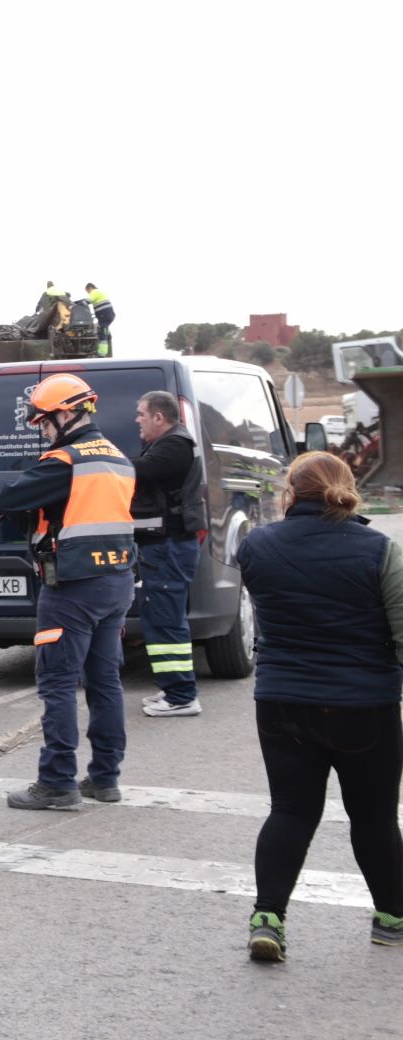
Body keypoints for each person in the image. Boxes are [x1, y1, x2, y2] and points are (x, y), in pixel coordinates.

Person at [237, 452, 403, 962]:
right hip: (364, 706)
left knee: (290, 810)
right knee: (374, 817)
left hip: (283, 702)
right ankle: (391, 918)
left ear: (291, 492)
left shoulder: (255, 546)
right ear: (347, 488)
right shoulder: (380, 549)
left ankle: (268, 918)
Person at [0, 374, 137, 810]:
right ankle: (105, 778)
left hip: (73, 586)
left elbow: (7, 499)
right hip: (117, 581)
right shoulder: (119, 458)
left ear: (66, 412)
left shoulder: (64, 461)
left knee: (57, 682)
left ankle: (57, 782)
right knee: (105, 682)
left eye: (44, 421)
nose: (42, 429)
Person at [130, 391, 205, 717]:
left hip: (169, 547)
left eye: (141, 414)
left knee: (166, 621)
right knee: (161, 619)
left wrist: (99, 460)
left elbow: (135, 472)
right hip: (164, 547)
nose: (137, 420)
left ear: (159, 417)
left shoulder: (173, 446)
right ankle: (173, 690)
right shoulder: (169, 444)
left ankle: (181, 697)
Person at [85, 283, 115, 354]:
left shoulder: (94, 292)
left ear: (90, 288)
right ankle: (107, 346)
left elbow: (88, 301)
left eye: (87, 291)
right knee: (105, 331)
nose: (88, 293)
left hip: (104, 315)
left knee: (102, 332)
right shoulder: (99, 292)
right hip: (108, 315)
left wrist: (77, 303)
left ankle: (102, 353)